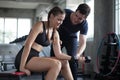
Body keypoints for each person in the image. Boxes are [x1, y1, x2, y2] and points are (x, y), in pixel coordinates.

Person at [14, 6, 74, 80]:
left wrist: (73, 58)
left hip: (35, 57)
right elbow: (28, 45)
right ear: (51, 16)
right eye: (58, 19)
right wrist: (22, 67)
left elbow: (59, 54)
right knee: (56, 64)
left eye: (62, 20)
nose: (60, 23)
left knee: (64, 62)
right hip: (24, 59)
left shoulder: (55, 33)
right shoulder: (39, 25)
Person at [51, 3, 91, 80]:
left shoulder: (84, 24)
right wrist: (55, 37)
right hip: (58, 35)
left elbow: (83, 42)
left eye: (80, 19)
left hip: (71, 37)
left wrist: (78, 54)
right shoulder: (64, 13)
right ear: (75, 11)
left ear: (84, 19)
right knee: (54, 57)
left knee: (73, 59)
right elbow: (53, 25)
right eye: (76, 15)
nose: (76, 19)